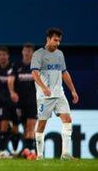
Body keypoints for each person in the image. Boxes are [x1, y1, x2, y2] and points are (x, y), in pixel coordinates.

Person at [31, 28, 79, 160]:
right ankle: (40, 155)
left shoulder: (60, 54)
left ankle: (65, 153)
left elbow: (64, 72)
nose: (57, 43)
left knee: (67, 119)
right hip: (44, 96)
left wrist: (73, 90)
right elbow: (34, 73)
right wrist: (44, 88)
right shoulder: (38, 54)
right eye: (55, 40)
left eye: (59, 41)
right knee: (42, 124)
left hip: (59, 94)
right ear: (48, 39)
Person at [8, 43, 37, 160]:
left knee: (31, 126)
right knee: (25, 127)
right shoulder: (17, 66)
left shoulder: (36, 66)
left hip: (33, 100)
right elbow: (10, 80)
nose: (27, 52)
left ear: (33, 53)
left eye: (29, 51)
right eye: (25, 50)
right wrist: (12, 92)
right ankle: (27, 149)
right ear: (22, 52)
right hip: (21, 101)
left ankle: (32, 150)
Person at [0, 46, 19, 158]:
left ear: (7, 56)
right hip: (2, 103)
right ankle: (2, 151)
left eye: (4, 54)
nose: (2, 57)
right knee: (2, 125)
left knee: (15, 128)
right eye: (0, 55)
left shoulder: (13, 68)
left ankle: (14, 150)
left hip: (15, 102)